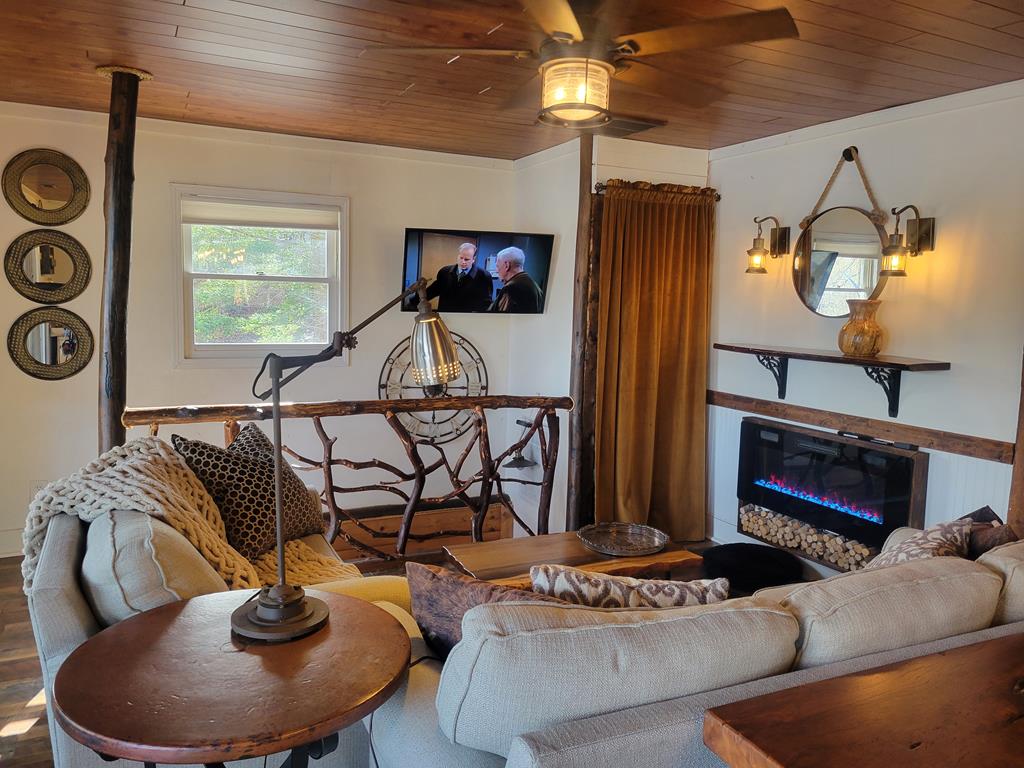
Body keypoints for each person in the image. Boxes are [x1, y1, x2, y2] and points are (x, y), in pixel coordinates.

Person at [421, 242, 493, 312]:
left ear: (474, 259)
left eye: (466, 259)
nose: (463, 262)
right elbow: (432, 291)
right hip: (445, 317)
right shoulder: (444, 272)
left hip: (468, 319)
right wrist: (412, 301)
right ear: (458, 255)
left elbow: (486, 304)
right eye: (461, 258)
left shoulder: (484, 276)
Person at [489, 246, 544, 313]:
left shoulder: (510, 289)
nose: (496, 270)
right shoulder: (535, 286)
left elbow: (501, 319)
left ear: (507, 265)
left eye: (497, 266)